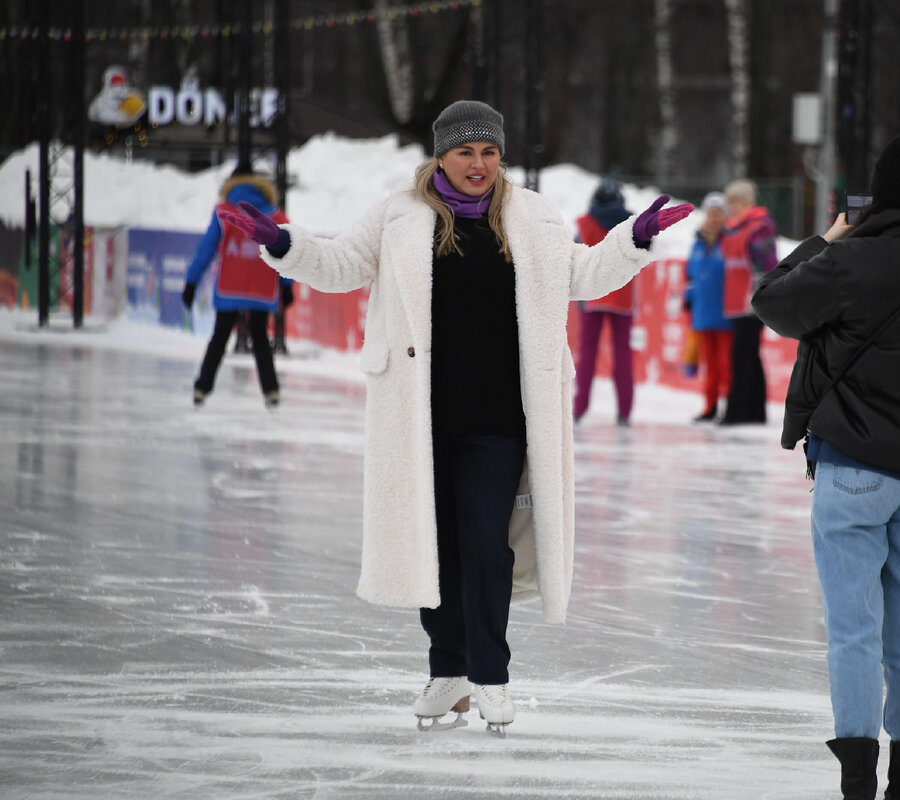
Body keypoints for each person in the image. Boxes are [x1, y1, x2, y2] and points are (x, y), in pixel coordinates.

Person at [218, 100, 693, 735]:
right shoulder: (399, 216)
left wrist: (632, 238)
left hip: (500, 418)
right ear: (441, 154)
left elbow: (579, 274)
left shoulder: (531, 216)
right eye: (466, 152)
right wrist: (281, 242)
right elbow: (336, 266)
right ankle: (448, 673)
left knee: (485, 548)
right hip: (422, 416)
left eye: (490, 152)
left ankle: (491, 677)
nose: (479, 165)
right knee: (435, 548)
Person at [751, 128, 900, 799]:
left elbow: (772, 299)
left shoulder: (853, 262)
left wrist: (828, 240)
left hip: (855, 469)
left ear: (878, 196)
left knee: (855, 631)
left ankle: (858, 778)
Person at [182, 168, 293, 409]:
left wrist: (191, 281)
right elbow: (286, 251)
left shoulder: (225, 212)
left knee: (220, 336)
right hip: (261, 286)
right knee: (260, 337)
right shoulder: (276, 216)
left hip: (230, 285)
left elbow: (206, 249)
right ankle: (271, 390)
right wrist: (287, 285)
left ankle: (202, 387)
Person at [572, 179, 636, 426]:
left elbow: (578, 255)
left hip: (592, 292)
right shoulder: (630, 224)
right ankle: (625, 411)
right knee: (623, 354)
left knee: (587, 353)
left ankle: (579, 408)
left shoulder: (586, 222)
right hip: (623, 293)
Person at [719, 178, 777, 425]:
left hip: (751, 301)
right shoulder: (734, 228)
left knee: (743, 355)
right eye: (729, 202)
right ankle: (753, 412)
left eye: (734, 202)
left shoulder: (757, 228)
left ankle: (738, 412)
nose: (730, 207)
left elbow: (769, 263)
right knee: (748, 356)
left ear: (746, 202)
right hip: (738, 301)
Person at [684, 191, 732, 422]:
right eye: (711, 214)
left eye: (718, 214)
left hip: (726, 314)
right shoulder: (698, 243)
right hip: (703, 313)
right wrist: (688, 298)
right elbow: (690, 275)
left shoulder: (730, 241)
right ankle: (710, 406)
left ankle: (729, 407)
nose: (714, 219)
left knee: (726, 365)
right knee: (710, 365)